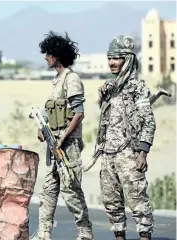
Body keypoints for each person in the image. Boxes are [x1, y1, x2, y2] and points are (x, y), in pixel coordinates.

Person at [34, 31, 94, 240]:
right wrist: (43, 129)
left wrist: (63, 137)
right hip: (54, 144)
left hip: (68, 146)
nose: (45, 57)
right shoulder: (56, 81)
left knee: (71, 190)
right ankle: (43, 234)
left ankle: (85, 232)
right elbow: (49, 109)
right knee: (48, 191)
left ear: (56, 56)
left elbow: (79, 113)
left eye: (48, 53)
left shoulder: (72, 79)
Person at [96, 35, 156, 240]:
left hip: (129, 154)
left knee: (138, 202)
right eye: (109, 57)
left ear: (128, 59)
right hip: (108, 154)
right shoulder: (109, 88)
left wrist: (143, 152)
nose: (112, 62)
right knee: (111, 204)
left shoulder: (137, 88)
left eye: (117, 57)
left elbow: (148, 121)